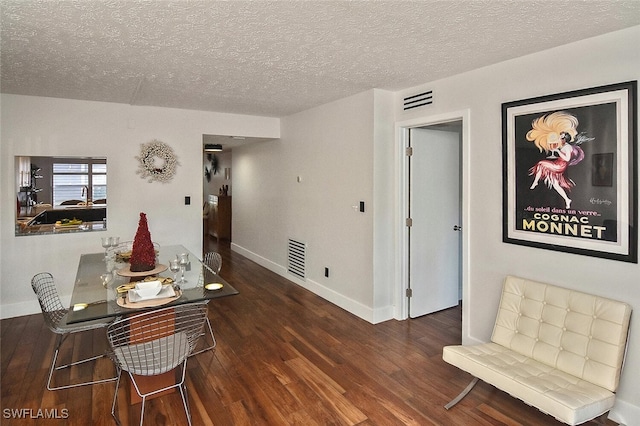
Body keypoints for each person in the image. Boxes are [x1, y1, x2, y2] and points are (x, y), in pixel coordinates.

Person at [527, 111, 584, 209]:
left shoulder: (567, 147)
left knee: (541, 163)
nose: (559, 139)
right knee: (555, 184)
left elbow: (566, 158)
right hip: (558, 163)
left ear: (564, 139)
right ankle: (567, 200)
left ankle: (535, 182)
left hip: (560, 165)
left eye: (561, 138)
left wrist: (558, 151)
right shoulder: (564, 146)